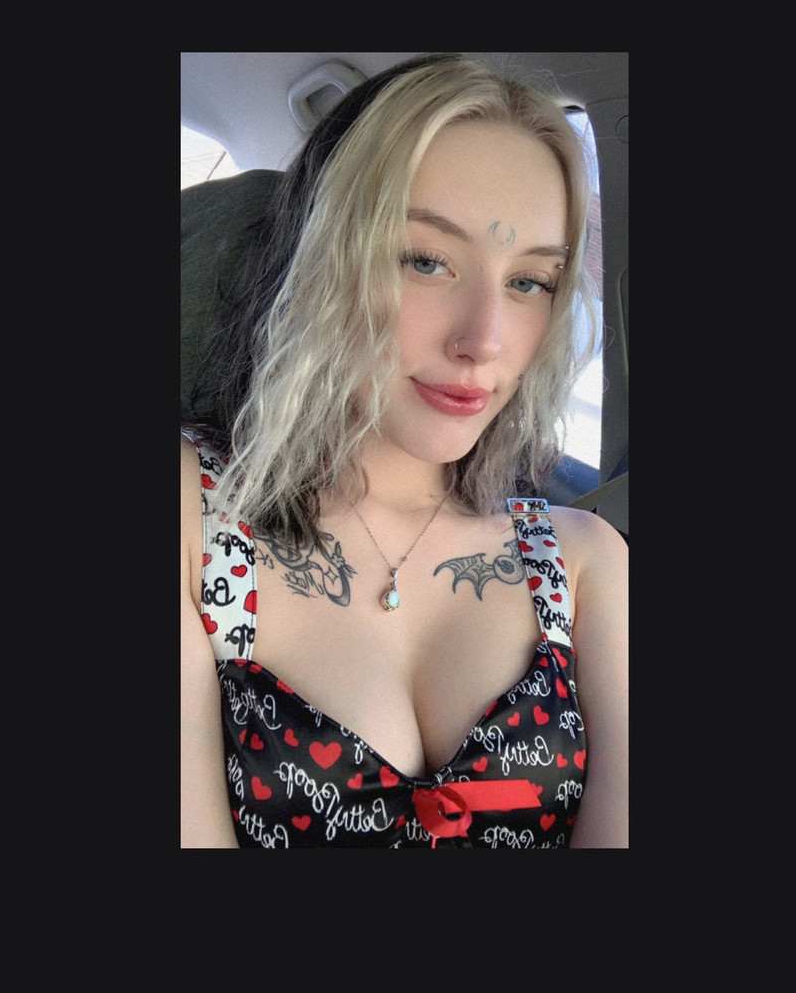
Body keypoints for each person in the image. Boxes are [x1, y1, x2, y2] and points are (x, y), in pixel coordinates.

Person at [180, 54, 628, 848]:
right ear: (323, 256)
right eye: (425, 260)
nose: (484, 340)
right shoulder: (197, 519)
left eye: (530, 281)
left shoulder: (586, 563)